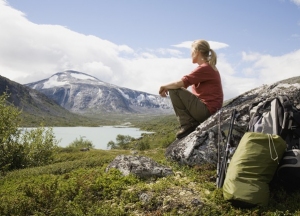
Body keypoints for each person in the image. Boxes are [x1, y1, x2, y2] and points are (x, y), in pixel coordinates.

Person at [159, 39, 223, 139]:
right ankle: (190, 123)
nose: (190, 55)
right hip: (209, 110)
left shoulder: (205, 68)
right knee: (174, 88)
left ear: (197, 52)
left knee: (174, 90)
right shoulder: (208, 67)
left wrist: (164, 86)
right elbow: (185, 83)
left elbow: (180, 83)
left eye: (191, 51)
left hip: (207, 111)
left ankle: (187, 125)